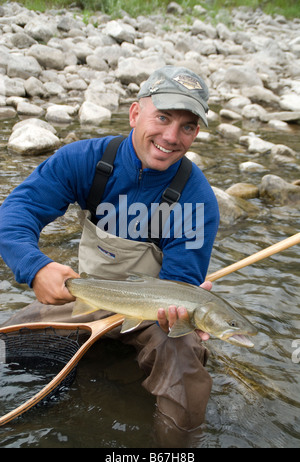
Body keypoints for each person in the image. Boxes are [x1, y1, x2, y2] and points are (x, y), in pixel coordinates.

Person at [0, 66, 220, 431]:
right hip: (89, 293)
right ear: (135, 113)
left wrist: (185, 312)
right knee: (16, 338)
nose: (171, 136)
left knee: (183, 360)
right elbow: (14, 213)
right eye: (162, 117)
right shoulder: (84, 160)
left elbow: (180, 280)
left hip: (152, 315)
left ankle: (176, 447)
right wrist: (35, 267)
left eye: (188, 126)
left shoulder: (197, 201)